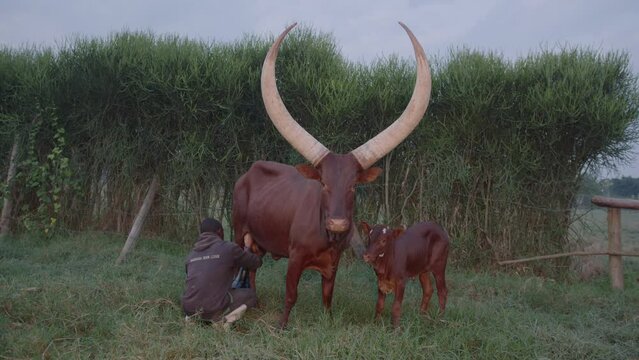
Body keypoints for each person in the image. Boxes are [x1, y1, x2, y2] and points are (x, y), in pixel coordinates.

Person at [181, 218, 262, 324]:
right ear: (220, 232)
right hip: (213, 308)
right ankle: (223, 320)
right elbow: (256, 262)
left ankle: (192, 318)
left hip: (189, 309)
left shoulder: (190, 255)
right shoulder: (229, 248)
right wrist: (247, 247)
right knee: (251, 295)